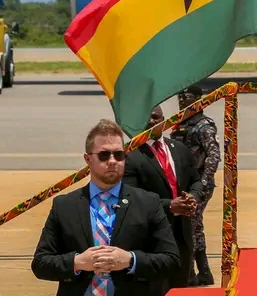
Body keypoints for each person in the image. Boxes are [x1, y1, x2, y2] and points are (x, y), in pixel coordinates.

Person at [31, 119, 181, 296]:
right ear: (88, 159)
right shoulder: (64, 206)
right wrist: (77, 262)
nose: (112, 161)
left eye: (118, 155)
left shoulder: (148, 203)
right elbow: (40, 263)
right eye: (104, 155)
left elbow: (172, 261)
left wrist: (131, 260)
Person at [123, 105, 206, 289]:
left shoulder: (179, 149)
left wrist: (192, 197)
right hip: (151, 240)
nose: (151, 121)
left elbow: (196, 181)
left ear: (164, 120)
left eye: (155, 117)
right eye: (146, 118)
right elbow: (131, 197)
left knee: (180, 288)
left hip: (182, 236)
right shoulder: (130, 155)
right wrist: (169, 205)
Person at [169, 85, 220, 286]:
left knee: (189, 226)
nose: (182, 100)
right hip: (185, 184)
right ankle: (202, 272)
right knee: (193, 226)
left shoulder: (204, 126)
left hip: (199, 185)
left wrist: (203, 183)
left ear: (199, 98)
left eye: (187, 96)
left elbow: (213, 156)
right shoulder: (179, 124)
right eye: (180, 96)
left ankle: (190, 274)